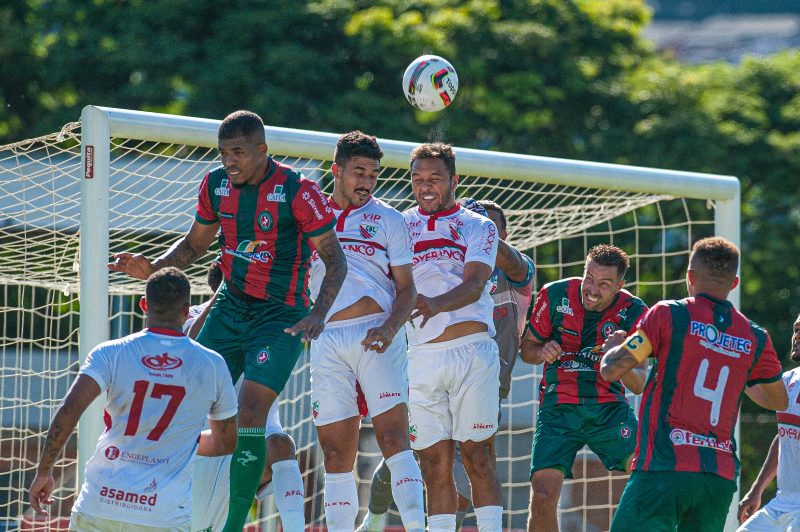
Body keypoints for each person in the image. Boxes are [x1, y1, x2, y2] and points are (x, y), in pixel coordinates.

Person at [108, 110, 347, 532]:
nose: (229, 162)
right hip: (231, 305)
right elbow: (193, 246)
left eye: (238, 152)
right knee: (184, 396)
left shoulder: (299, 191)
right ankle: (156, 505)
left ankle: (233, 525)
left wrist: (318, 313)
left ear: (261, 150)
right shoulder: (215, 185)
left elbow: (335, 259)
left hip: (281, 314)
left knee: (252, 411)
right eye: (223, 153)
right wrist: (154, 269)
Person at [357, 198, 535, 532]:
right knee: (411, 462)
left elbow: (511, 261)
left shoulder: (517, 275)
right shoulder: (445, 268)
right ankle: (374, 520)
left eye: (492, 229)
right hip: (434, 372)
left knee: (474, 470)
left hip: (485, 381)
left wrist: (486, 234)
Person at [600, 236, 788, 531]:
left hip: (664, 467)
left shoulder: (668, 314)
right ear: (734, 283)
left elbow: (613, 369)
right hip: (718, 477)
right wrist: (739, 373)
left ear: (689, 277)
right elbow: (779, 400)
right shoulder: (754, 337)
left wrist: (613, 346)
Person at [29, 268, 238, 531]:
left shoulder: (110, 352)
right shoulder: (212, 364)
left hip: (101, 504)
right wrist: (180, 441)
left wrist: (45, 470)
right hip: (163, 515)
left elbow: (69, 410)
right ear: (187, 311)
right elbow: (226, 442)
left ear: (143, 305)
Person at [307, 130, 425, 532]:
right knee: (336, 451)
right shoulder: (309, 216)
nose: (367, 182)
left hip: (376, 337)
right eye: (359, 172)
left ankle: (417, 527)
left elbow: (408, 289)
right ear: (337, 170)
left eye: (373, 174)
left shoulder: (390, 219)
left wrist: (391, 328)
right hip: (325, 340)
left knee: (395, 440)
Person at [402, 142, 502, 532]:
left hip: (471, 352)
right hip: (421, 356)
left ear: (454, 180)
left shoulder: (479, 226)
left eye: (435, 178)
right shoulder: (399, 224)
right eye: (418, 178)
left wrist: (433, 305)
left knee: (479, 457)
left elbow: (475, 284)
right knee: (432, 463)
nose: (426, 186)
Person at [520, 244, 649, 532]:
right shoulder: (554, 295)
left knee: (650, 476)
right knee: (541, 496)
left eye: (604, 284)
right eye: (589, 278)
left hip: (609, 410)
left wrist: (620, 355)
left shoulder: (636, 312)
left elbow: (639, 383)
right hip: (558, 409)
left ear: (620, 285)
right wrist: (541, 351)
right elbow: (526, 349)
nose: (592, 289)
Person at [186, 262, 305, 532]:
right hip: (205, 449)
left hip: (251, 447)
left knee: (281, 445)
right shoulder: (200, 316)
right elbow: (189, 344)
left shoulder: (276, 315)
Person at [736, 312, 800, 531]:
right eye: (796, 329)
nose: (797, 336)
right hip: (781, 505)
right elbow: (784, 436)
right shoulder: (789, 381)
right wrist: (756, 489)